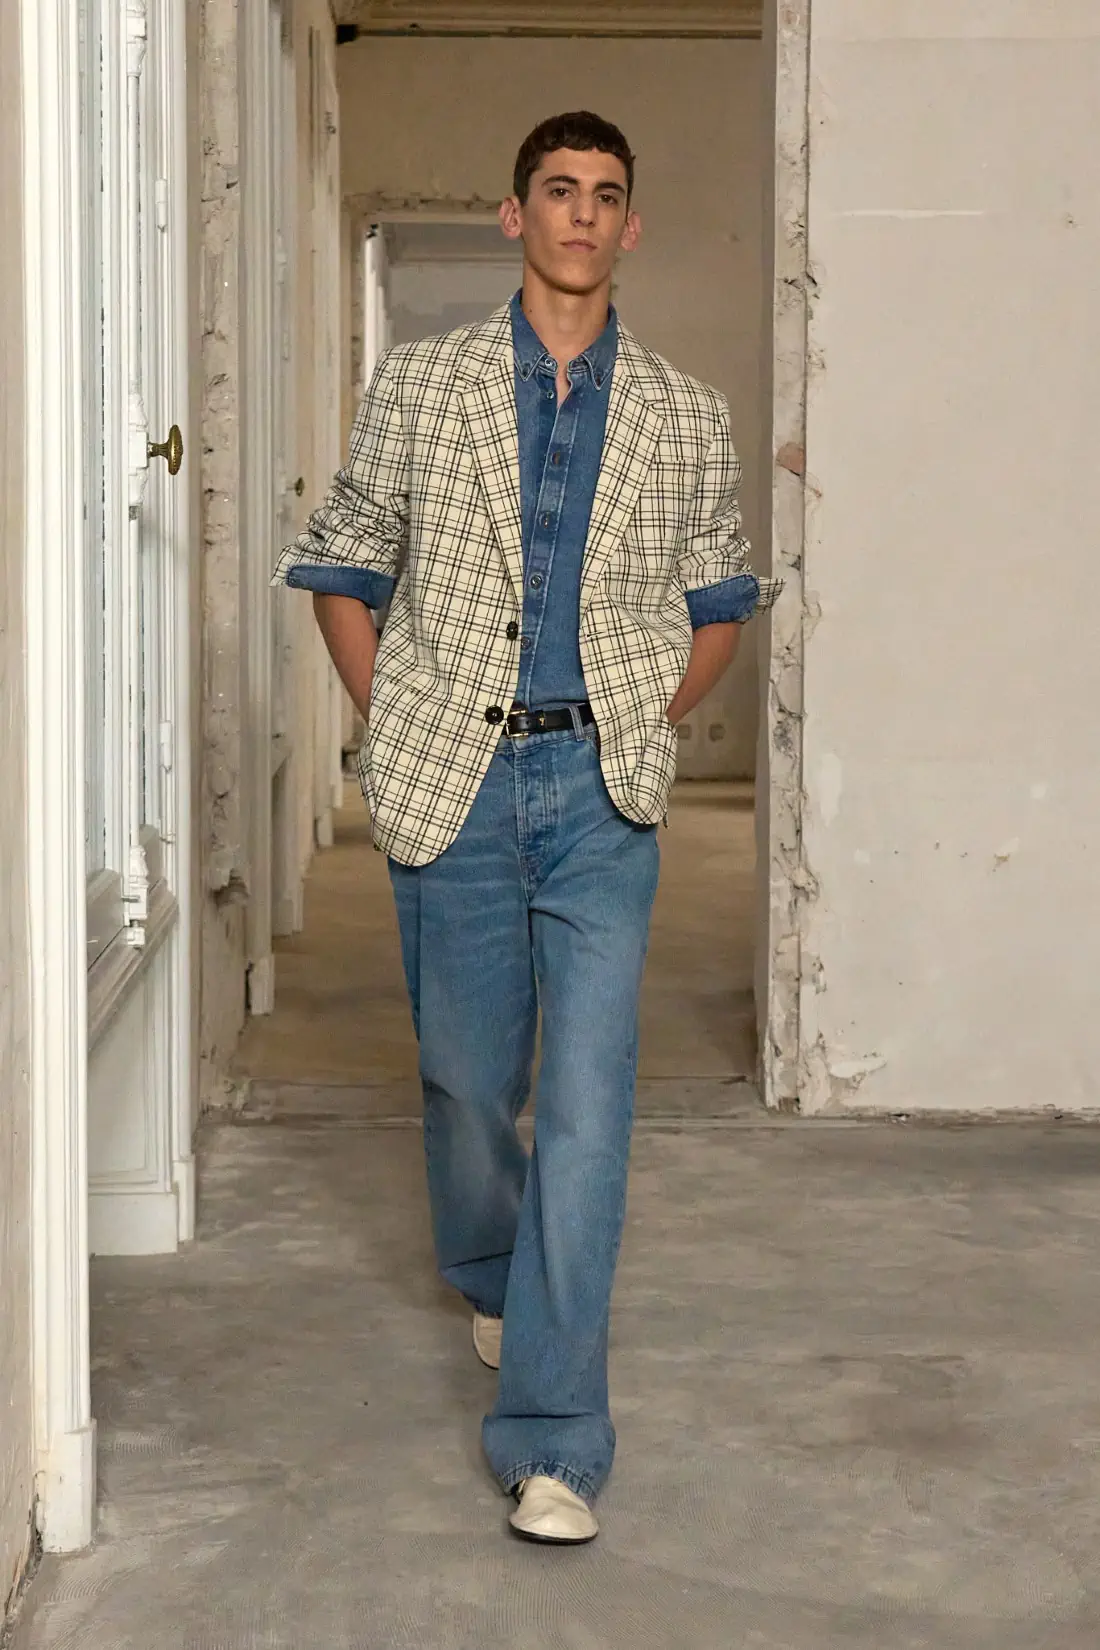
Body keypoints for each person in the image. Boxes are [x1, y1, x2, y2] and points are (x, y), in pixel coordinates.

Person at [272, 110, 780, 1546]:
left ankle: (556, 1438)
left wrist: (643, 721)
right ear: (517, 216)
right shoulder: (421, 386)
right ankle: (492, 1269)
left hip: (601, 792)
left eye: (606, 194)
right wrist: (398, 710)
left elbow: (720, 599)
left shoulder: (683, 412)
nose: (581, 214)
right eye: (558, 190)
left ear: (632, 226)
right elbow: (345, 560)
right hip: (458, 775)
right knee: (462, 1080)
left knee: (589, 1103)